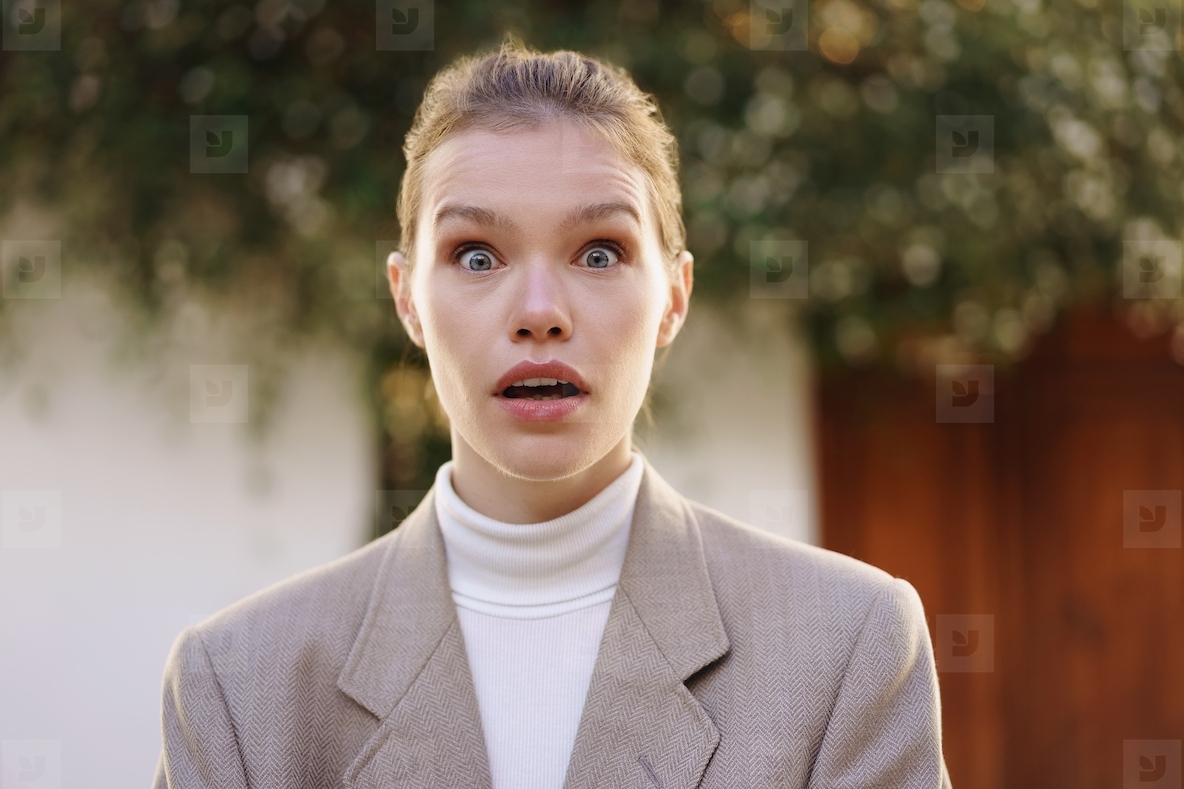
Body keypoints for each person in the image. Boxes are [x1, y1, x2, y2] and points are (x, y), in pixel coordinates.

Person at [153, 37, 954, 789]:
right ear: (408, 300)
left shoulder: (847, 646)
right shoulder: (239, 687)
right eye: (476, 255)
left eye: (599, 252)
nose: (540, 312)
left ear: (673, 297)